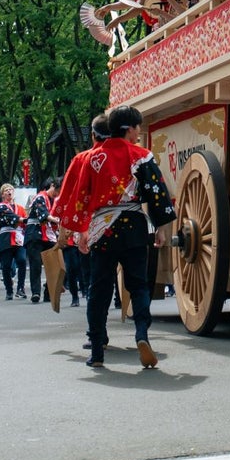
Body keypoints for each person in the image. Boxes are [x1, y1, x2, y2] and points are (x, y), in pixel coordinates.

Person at [57, 107, 176, 369]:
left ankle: (97, 350)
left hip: (102, 229)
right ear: (129, 128)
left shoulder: (92, 158)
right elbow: (156, 192)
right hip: (133, 227)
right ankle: (142, 335)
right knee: (138, 286)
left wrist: (81, 230)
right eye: (137, 128)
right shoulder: (142, 156)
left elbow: (81, 197)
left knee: (98, 289)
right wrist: (162, 226)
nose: (139, 133)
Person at [0, 185, 26, 299]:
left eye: (11, 190)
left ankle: (20, 288)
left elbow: (24, 223)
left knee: (22, 261)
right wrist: (20, 220)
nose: (9, 192)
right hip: (6, 237)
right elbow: (13, 218)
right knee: (6, 265)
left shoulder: (20, 208)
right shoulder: (1, 207)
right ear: (3, 194)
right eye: (6, 190)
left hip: (18, 237)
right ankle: (9, 289)